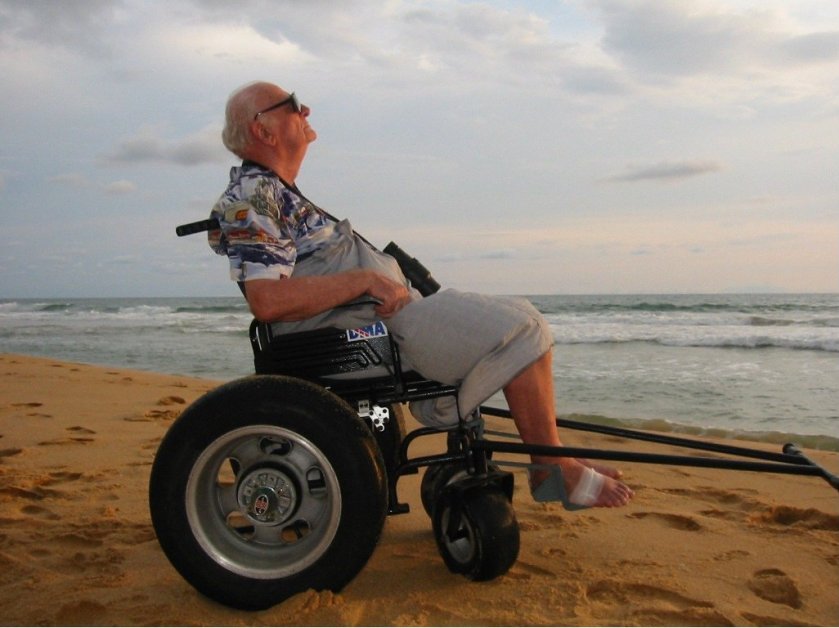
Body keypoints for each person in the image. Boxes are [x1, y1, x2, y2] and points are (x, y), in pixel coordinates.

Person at [208, 80, 634, 509]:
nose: (307, 111)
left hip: (381, 322)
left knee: (517, 322)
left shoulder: (275, 192)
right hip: (366, 333)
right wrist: (366, 280)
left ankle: (549, 451)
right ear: (263, 130)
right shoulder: (253, 194)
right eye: (294, 105)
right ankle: (549, 461)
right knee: (523, 327)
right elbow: (268, 301)